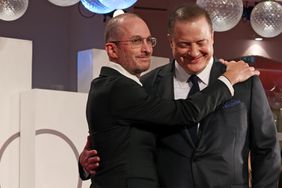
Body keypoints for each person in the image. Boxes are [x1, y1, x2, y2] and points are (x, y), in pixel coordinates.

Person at [81, 12, 260, 188]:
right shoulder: (122, 88)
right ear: (112, 49)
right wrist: (228, 80)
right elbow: (185, 112)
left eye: (149, 40)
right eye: (136, 41)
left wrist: (85, 164)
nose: (147, 49)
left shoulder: (121, 87)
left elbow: (264, 147)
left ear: (212, 37)